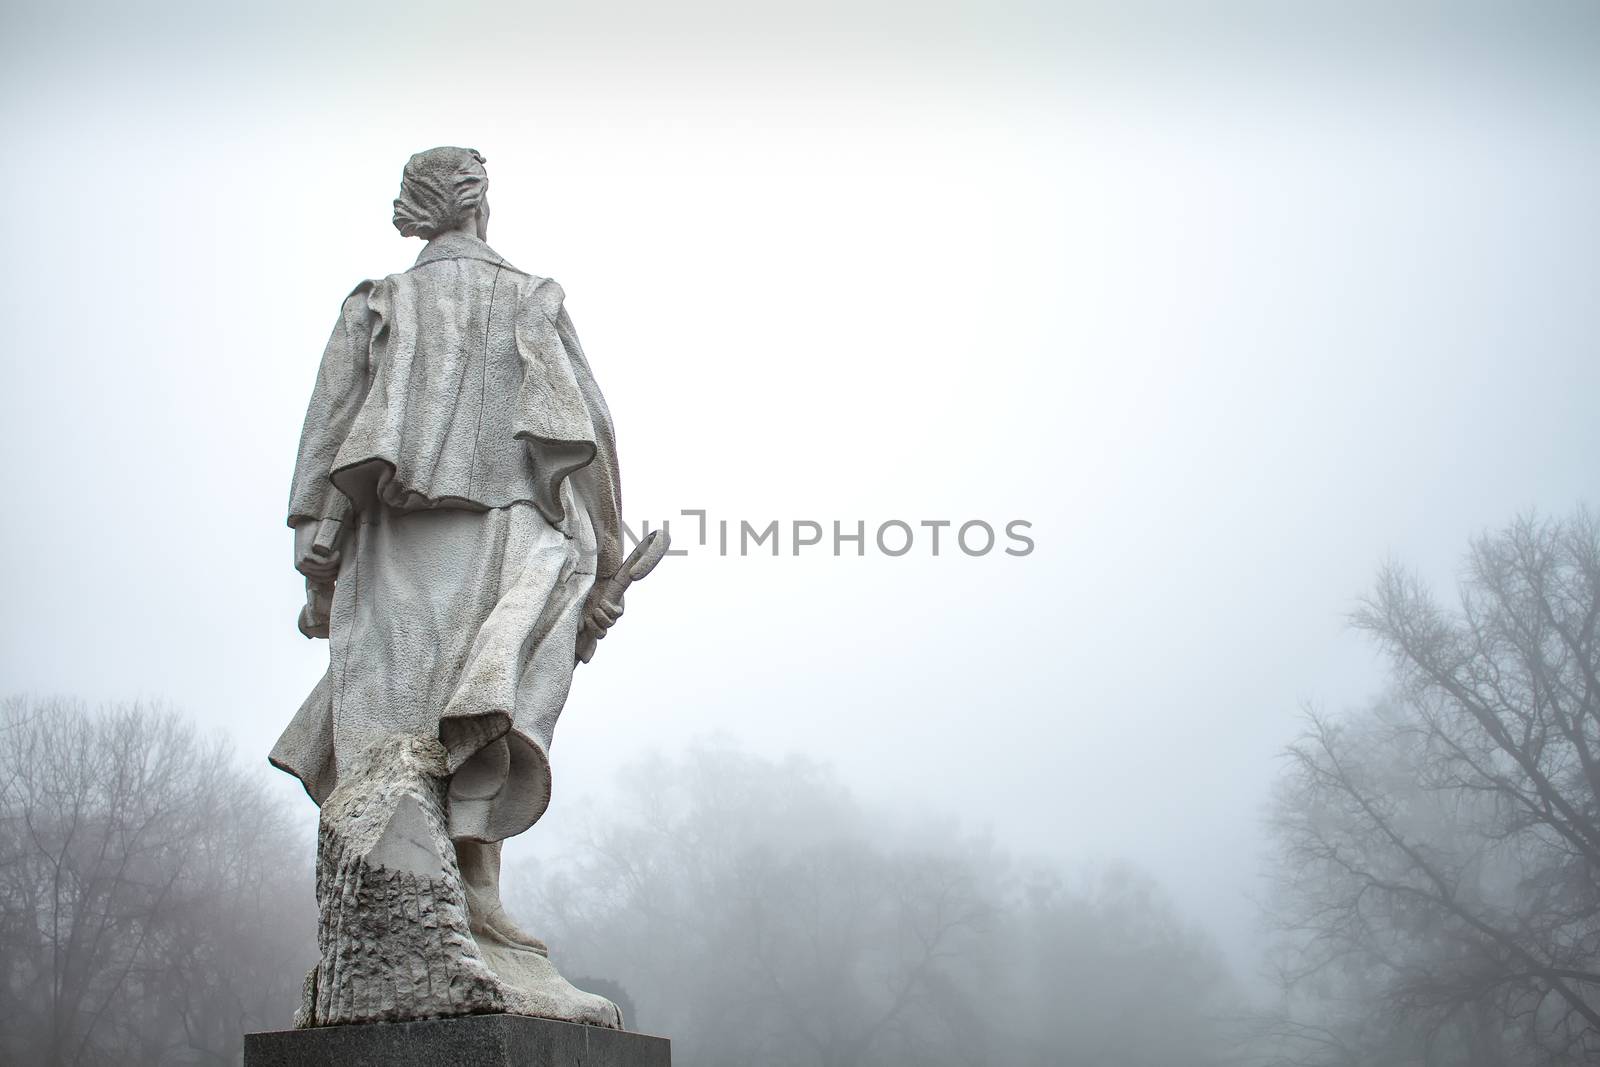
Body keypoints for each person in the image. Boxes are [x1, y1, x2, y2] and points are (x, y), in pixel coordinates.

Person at [270, 146, 625, 970]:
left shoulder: (378, 301)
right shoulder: (531, 297)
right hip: (508, 528)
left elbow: (327, 431)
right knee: (479, 702)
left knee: (395, 715)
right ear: (479, 206)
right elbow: (592, 434)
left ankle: (419, 911)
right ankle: (471, 893)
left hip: (390, 532)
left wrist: (315, 561)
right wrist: (605, 552)